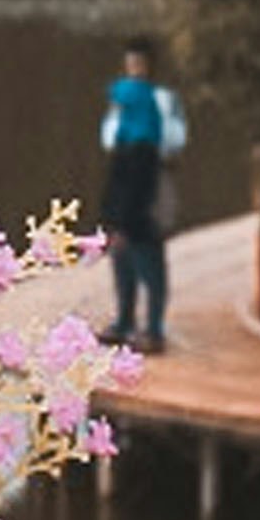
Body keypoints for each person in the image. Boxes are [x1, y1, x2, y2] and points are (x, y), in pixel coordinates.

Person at [98, 37, 188, 349]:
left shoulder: (162, 99)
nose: (134, 68)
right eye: (130, 63)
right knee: (121, 250)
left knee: (148, 249)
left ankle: (154, 328)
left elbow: (174, 141)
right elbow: (108, 137)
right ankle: (124, 320)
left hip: (152, 174)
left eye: (139, 63)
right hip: (124, 168)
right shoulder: (122, 97)